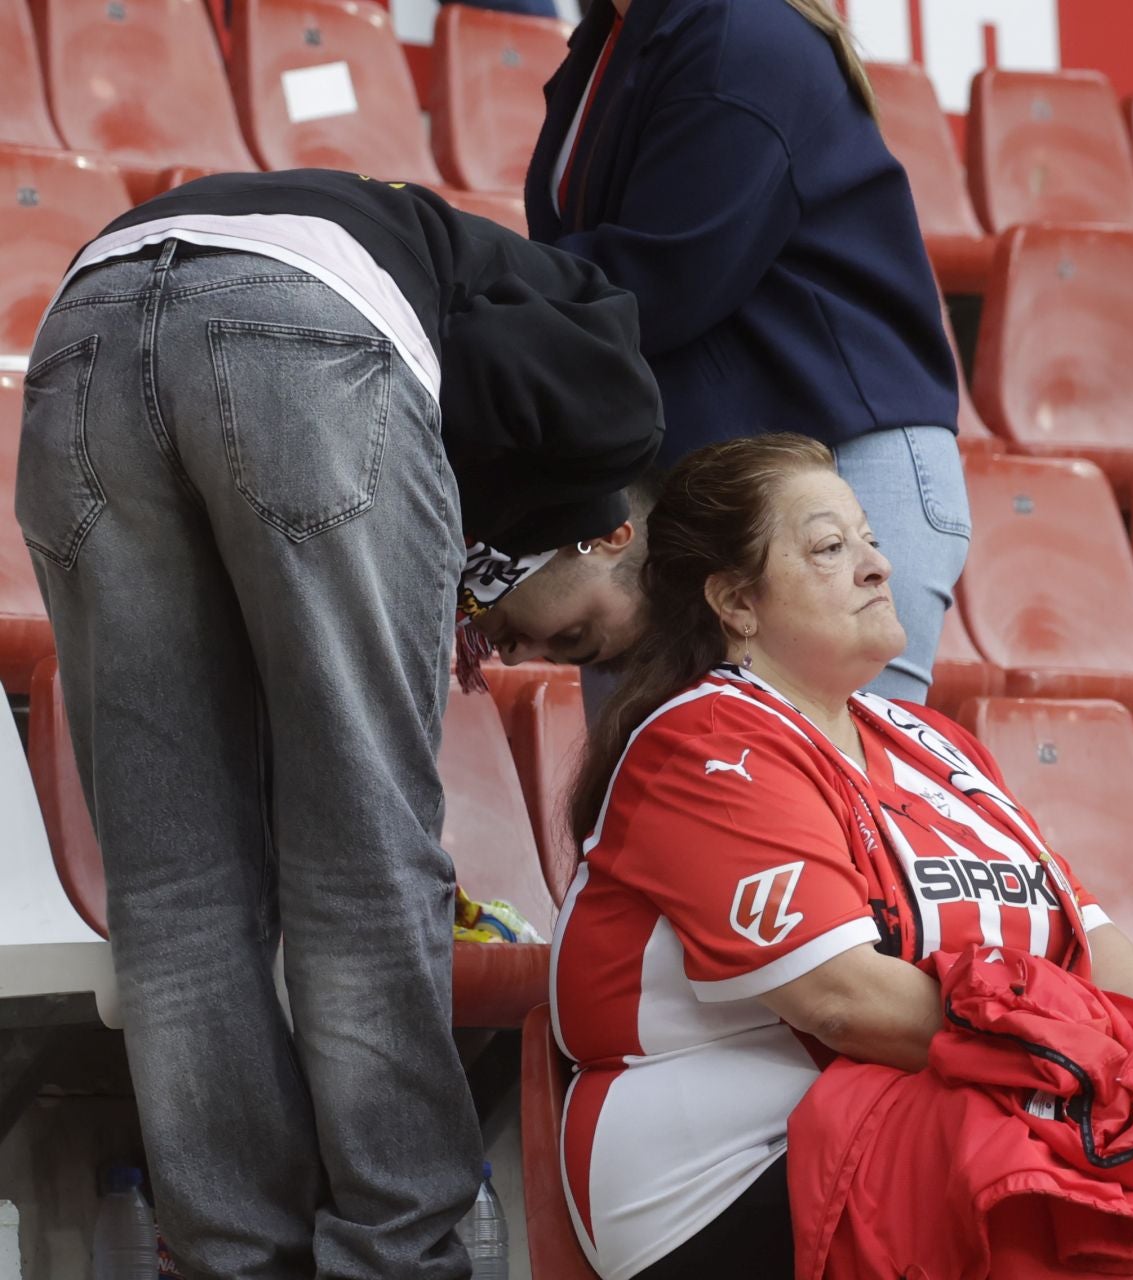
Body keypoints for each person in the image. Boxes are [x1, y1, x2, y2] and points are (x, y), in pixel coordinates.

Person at [16, 169, 662, 1279]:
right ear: (610, 537)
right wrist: (454, 575)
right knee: (362, 858)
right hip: (305, 330)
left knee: (173, 887)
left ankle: (232, 1257)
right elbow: (481, 392)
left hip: (85, 333)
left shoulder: (517, 355)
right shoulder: (621, 418)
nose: (523, 653)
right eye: (582, 639)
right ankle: (399, 1252)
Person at [548, 434, 1133, 1278]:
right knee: (1053, 1173)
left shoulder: (935, 742)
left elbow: (1090, 933)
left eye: (872, 540)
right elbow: (845, 1000)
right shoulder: (705, 742)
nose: (876, 568)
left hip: (960, 1111)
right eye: (829, 548)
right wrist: (1091, 1067)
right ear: (736, 602)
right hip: (721, 1172)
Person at [523, 0, 967, 705]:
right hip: (705, 481)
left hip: (842, 466)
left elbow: (662, 282)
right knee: (652, 794)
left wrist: (473, 287)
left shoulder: (738, 29)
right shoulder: (611, 39)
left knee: (822, 800)